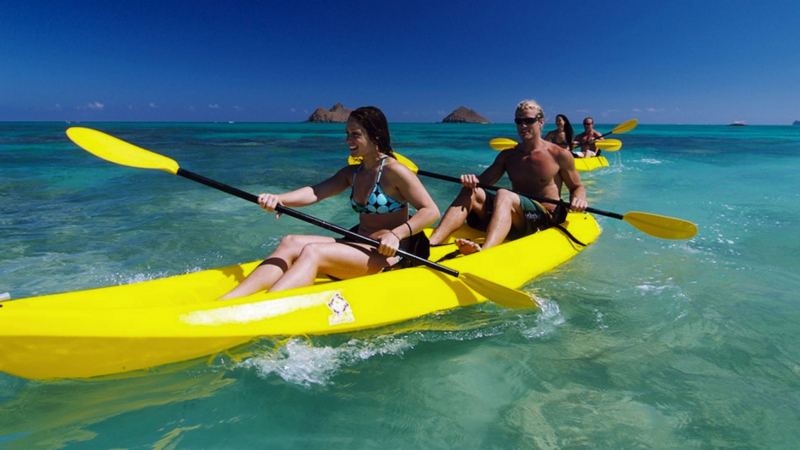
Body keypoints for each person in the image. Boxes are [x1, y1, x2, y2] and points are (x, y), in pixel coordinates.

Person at [220, 106, 441, 299]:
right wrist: (280, 199)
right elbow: (315, 192)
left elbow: (431, 211)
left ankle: (265, 307)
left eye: (355, 134)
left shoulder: (395, 171)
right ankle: (229, 301)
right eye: (347, 133)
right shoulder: (353, 173)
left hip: (385, 256)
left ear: (376, 135)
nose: (348, 140)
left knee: (314, 251)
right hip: (358, 245)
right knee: (290, 241)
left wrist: (396, 235)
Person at [428, 99, 588, 255]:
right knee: (470, 191)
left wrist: (578, 199)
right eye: (519, 121)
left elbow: (577, 187)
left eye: (528, 120)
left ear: (540, 122)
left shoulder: (559, 155)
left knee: (504, 194)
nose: (523, 125)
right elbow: (481, 182)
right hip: (515, 214)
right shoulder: (508, 155)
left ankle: (485, 251)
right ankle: (432, 243)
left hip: (543, 217)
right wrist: (471, 180)